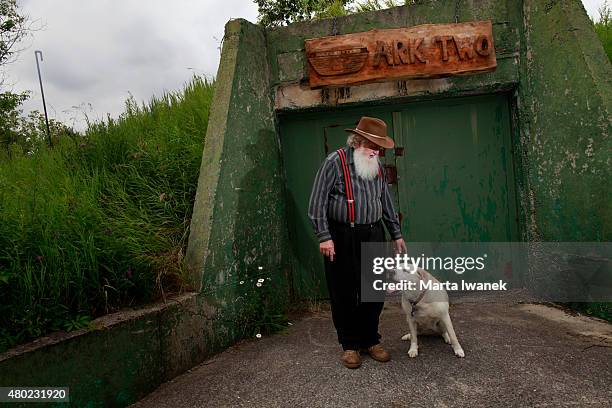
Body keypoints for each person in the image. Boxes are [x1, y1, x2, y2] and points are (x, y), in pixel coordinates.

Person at [308, 116, 407, 369]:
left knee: (373, 290)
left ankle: (370, 340)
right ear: (358, 142)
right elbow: (317, 202)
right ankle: (350, 345)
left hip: (373, 234)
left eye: (380, 147)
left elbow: (385, 201)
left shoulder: (377, 166)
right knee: (344, 292)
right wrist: (324, 236)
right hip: (342, 236)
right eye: (374, 146)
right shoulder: (335, 162)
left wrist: (395, 233)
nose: (377, 152)